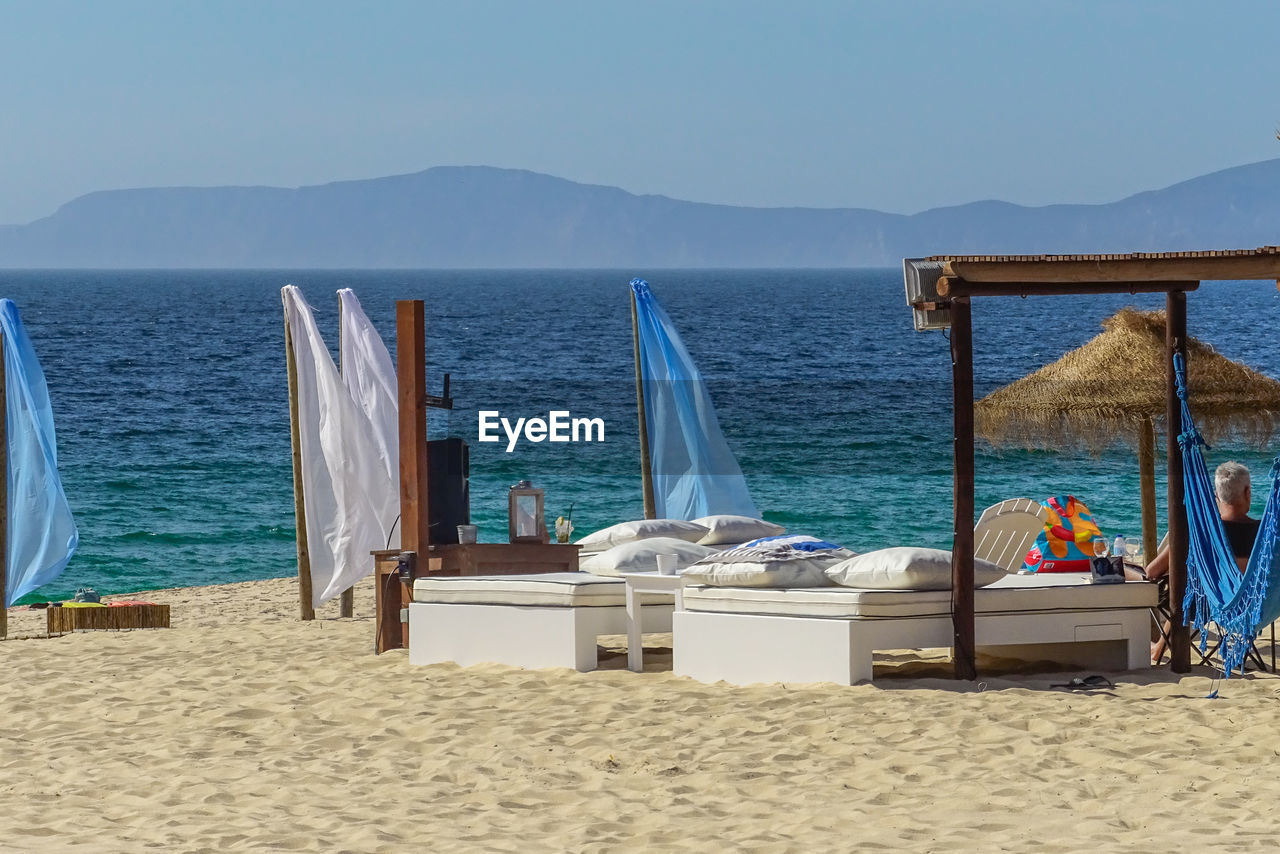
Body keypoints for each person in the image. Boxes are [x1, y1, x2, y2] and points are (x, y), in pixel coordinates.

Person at [1130, 460, 1259, 582]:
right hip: (1255, 602)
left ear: (1216, 496)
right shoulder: (1264, 534)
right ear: (1247, 493)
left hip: (1208, 604)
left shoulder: (1199, 532)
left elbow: (1152, 572)